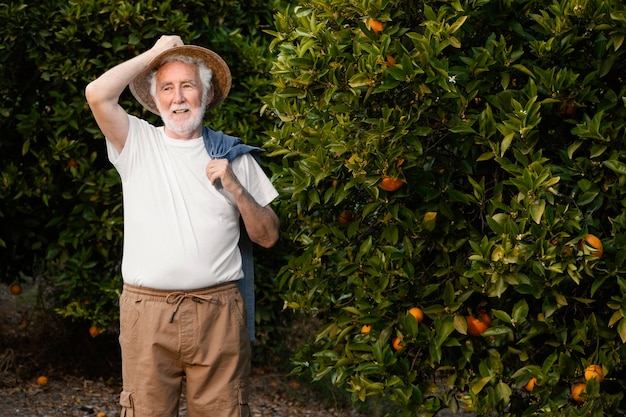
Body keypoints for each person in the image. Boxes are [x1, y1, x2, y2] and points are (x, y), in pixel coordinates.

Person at [85, 35, 280, 417]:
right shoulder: (137, 142)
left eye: (188, 86)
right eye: (167, 88)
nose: (178, 98)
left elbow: (269, 236)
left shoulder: (233, 155)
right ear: (155, 100)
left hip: (219, 312)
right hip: (147, 312)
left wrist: (237, 189)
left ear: (205, 95)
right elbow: (97, 94)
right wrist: (155, 55)